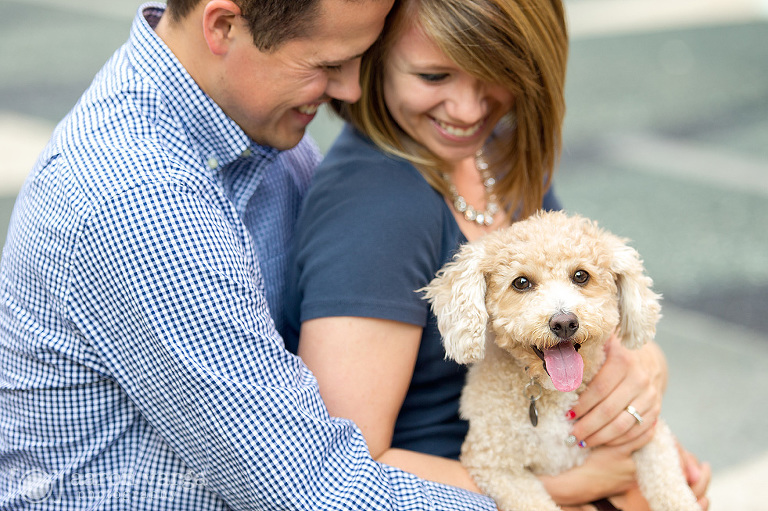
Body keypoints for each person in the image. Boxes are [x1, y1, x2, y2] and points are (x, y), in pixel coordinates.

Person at [0, 1, 503, 509]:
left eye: (361, 60)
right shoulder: (139, 200)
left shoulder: (248, 124)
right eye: (328, 65)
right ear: (221, 26)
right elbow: (308, 490)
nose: (350, 91)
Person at [283, 0, 711, 509]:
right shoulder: (373, 212)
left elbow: (584, 288)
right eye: (433, 75)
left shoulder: (495, 150)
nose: (467, 110)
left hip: (560, 448)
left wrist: (643, 370)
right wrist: (582, 486)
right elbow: (343, 464)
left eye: (494, 73)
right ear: (374, 61)